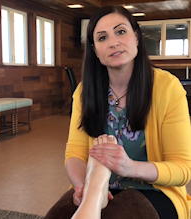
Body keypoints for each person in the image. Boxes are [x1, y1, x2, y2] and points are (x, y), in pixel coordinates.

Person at [44, 5, 191, 219]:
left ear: (137, 38)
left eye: (120, 31)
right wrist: (84, 188)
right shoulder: (85, 92)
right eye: (102, 38)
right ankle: (95, 193)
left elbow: (183, 169)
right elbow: (75, 153)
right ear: (95, 50)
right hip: (95, 186)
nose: (113, 42)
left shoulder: (168, 88)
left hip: (156, 190)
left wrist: (129, 167)